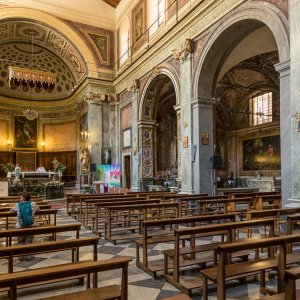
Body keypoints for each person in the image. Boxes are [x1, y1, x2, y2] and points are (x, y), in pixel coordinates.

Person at [10, 191, 40, 260]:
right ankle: (28, 256)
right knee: (29, 240)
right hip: (31, 225)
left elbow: (11, 211)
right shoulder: (33, 203)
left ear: (23, 197)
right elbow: (38, 210)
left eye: (20, 197)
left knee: (20, 241)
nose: (20, 198)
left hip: (20, 226)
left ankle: (20, 255)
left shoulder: (17, 205)